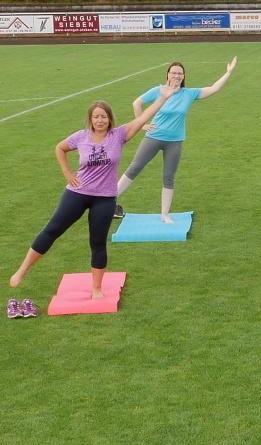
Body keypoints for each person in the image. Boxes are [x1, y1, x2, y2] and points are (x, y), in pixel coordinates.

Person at [9, 87, 176, 298]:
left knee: (97, 243)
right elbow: (59, 148)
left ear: (109, 119)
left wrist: (162, 98)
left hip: (104, 199)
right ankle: (22, 271)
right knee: (52, 230)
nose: (100, 120)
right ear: (90, 119)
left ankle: (96, 288)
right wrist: (67, 173)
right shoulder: (81, 137)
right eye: (96, 117)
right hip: (77, 194)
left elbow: (144, 116)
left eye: (103, 116)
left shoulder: (119, 135)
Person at [114, 57, 237, 223]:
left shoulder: (189, 93)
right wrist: (142, 124)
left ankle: (164, 214)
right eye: (173, 73)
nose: (176, 76)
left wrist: (228, 72)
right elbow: (137, 103)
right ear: (167, 74)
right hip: (154, 137)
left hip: (175, 142)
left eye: (180, 73)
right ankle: (108, 202)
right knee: (134, 168)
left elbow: (213, 89)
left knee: (169, 176)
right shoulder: (158, 91)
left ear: (183, 76)